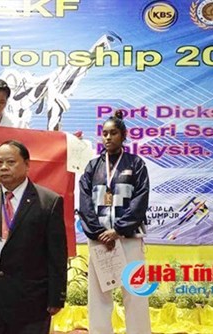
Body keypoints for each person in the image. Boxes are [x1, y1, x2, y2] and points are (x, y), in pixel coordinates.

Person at [0, 140, 67, 334]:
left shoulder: (48, 202)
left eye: (10, 162)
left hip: (31, 302)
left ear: (27, 164)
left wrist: (56, 297)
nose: (3, 168)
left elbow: (57, 254)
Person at [78, 110, 151, 334]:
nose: (108, 138)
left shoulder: (136, 164)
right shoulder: (92, 167)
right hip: (100, 240)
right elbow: (85, 204)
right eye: (105, 133)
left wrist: (117, 230)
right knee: (99, 294)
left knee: (135, 291)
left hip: (128, 238)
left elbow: (140, 200)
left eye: (114, 133)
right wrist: (100, 232)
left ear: (124, 136)